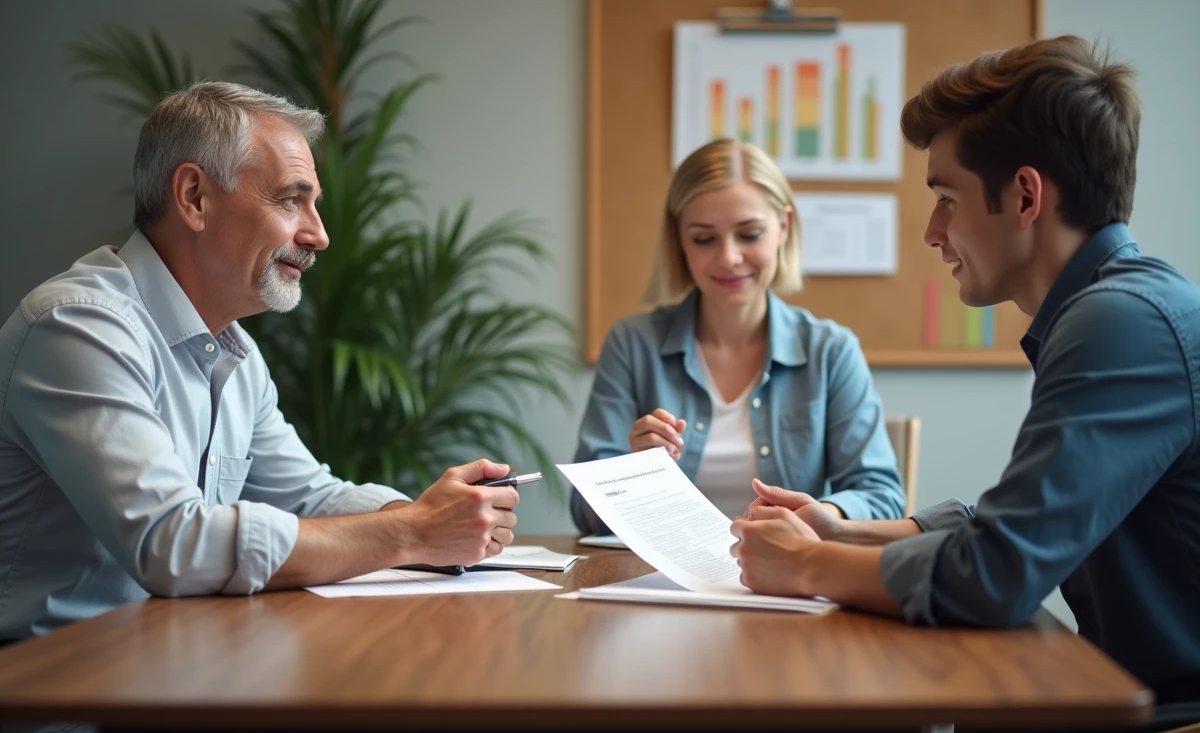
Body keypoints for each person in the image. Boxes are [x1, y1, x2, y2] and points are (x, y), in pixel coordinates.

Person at [732, 36, 1200, 714]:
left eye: (946, 198)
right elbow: (1027, 520)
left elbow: (998, 572)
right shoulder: (1116, 309)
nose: (931, 231)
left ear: (1025, 195)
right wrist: (841, 532)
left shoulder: (1121, 324)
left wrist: (804, 566)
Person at [0, 82, 519, 640]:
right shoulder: (78, 327)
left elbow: (312, 498)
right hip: (55, 702)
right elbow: (170, 545)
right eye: (291, 200)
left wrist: (441, 518)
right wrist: (414, 533)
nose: (318, 234)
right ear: (195, 196)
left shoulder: (236, 354)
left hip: (170, 675)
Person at [571, 138, 906, 534]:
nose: (729, 257)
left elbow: (882, 498)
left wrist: (821, 517)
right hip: (659, 582)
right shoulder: (632, 345)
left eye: (749, 234)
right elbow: (584, 515)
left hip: (784, 579)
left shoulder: (830, 352)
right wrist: (632, 474)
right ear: (679, 240)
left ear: (783, 228)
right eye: (704, 238)